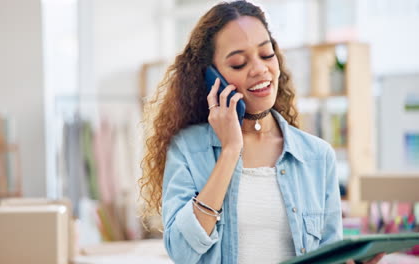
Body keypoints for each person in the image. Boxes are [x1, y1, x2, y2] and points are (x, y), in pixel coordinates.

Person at [139, 1, 384, 263]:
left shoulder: (316, 156)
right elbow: (182, 252)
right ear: (211, 77)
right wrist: (230, 150)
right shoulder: (188, 149)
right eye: (238, 63)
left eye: (267, 55)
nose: (259, 69)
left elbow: (328, 255)